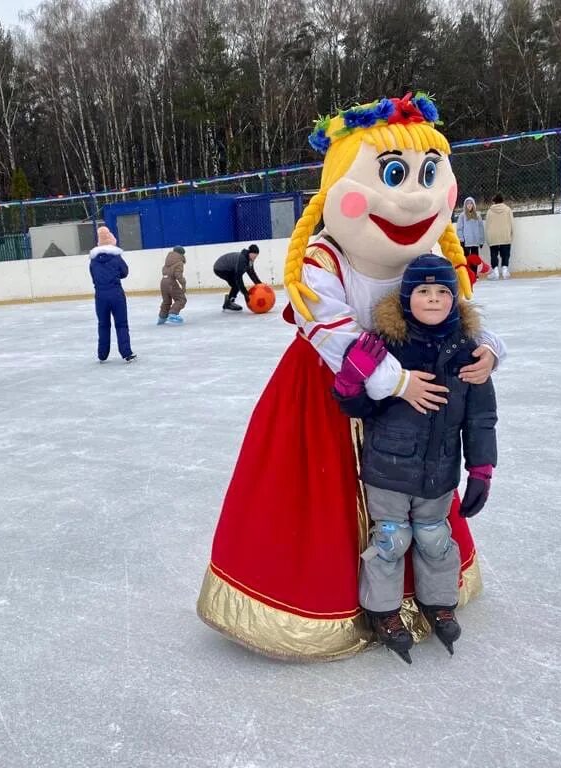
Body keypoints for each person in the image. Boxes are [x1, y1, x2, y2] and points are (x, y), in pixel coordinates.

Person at [196, 93, 506, 661]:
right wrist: (397, 380)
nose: (413, 196)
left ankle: (421, 595)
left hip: (416, 401)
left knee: (420, 501)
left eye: (428, 175)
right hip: (327, 395)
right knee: (321, 500)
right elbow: (331, 329)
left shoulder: (426, 261)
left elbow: (453, 314)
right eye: (393, 174)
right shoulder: (322, 258)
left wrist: (486, 350)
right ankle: (325, 603)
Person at [333, 254, 497, 663]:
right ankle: (383, 611)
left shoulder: (470, 352)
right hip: (387, 468)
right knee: (390, 540)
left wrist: (481, 468)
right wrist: (352, 379)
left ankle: (438, 602)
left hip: (440, 470)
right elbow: (355, 407)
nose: (433, 299)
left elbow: (481, 418)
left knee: (434, 538)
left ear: (454, 298)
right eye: (423, 291)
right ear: (407, 297)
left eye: (443, 291)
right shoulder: (386, 346)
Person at [89, 226, 136, 363]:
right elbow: (125, 272)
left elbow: (93, 276)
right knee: (121, 324)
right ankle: (126, 352)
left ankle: (102, 354)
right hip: (116, 294)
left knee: (103, 324)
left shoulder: (93, 260)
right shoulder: (116, 257)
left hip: (100, 296)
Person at [213, 245, 262, 311]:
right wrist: (245, 293)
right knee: (236, 284)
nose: (255, 257)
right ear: (250, 253)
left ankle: (229, 301)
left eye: (256, 256)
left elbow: (251, 273)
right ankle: (229, 303)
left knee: (236, 284)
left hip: (227, 268)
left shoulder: (249, 260)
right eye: (254, 255)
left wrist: (259, 284)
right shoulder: (242, 260)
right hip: (220, 269)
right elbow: (238, 278)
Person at [455, 197, 486, 280]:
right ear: (465, 205)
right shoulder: (462, 216)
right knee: (467, 259)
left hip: (475, 241)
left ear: (473, 205)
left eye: (471, 203)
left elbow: (481, 228)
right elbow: (459, 228)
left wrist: (481, 240)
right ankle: (467, 274)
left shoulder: (477, 215)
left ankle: (474, 274)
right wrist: (461, 239)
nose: (469, 205)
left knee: (475, 259)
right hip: (466, 242)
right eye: (467, 204)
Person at [485, 194, 514, 279]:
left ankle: (495, 271)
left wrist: (488, 238)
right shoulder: (508, 210)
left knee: (494, 254)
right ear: (502, 201)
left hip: (493, 236)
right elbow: (512, 223)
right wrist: (511, 235)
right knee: (505, 254)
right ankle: (505, 270)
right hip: (505, 235)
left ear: (494, 201)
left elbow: (487, 225)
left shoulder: (490, 211)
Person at [158, 246, 187, 325]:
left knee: (166, 301)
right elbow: (178, 275)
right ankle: (173, 314)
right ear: (182, 254)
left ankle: (162, 317)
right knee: (181, 299)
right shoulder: (179, 262)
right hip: (171, 283)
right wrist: (183, 284)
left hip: (163, 282)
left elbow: (164, 272)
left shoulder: (167, 261)